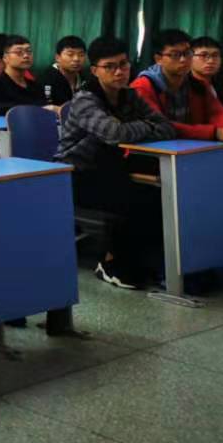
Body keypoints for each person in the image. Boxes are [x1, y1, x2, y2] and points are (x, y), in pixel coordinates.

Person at [55, 36, 175, 288]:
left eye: (123, 64)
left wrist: (133, 126)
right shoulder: (85, 99)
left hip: (112, 168)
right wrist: (143, 126)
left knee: (156, 196)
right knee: (132, 198)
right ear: (95, 70)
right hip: (75, 173)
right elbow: (114, 133)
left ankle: (146, 263)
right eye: (110, 66)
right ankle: (110, 262)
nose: (119, 72)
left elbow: (166, 127)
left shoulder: (129, 95)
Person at [132, 28, 223, 143]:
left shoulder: (197, 83)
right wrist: (215, 133)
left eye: (187, 53)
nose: (183, 59)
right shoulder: (143, 86)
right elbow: (160, 125)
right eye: (175, 55)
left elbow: (216, 113)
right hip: (151, 150)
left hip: (186, 147)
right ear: (158, 59)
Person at [34, 36, 88, 106]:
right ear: (57, 58)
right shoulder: (45, 79)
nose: (76, 59)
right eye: (70, 55)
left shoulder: (87, 77)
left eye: (81, 55)